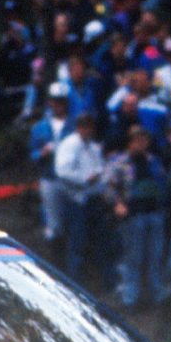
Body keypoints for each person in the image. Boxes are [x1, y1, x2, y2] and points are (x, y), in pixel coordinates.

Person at [106, 125, 171, 310]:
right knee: (132, 258)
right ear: (130, 142)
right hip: (133, 215)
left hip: (155, 213)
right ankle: (130, 299)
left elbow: (164, 184)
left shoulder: (154, 161)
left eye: (144, 140)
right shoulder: (120, 162)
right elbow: (108, 187)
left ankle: (156, 298)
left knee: (155, 256)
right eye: (137, 140)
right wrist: (117, 203)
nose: (141, 143)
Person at [53, 112, 106, 281]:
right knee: (77, 240)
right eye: (85, 127)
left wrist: (98, 176)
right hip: (76, 199)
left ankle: (97, 279)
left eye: (90, 127)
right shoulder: (70, 144)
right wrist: (84, 179)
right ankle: (75, 278)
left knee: (97, 240)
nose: (88, 131)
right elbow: (63, 171)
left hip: (93, 198)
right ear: (79, 128)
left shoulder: (93, 146)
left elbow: (100, 166)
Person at [29, 84, 73, 241]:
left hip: (71, 179)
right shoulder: (39, 127)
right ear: (50, 102)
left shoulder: (74, 125)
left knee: (72, 219)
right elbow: (32, 154)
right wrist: (42, 153)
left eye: (61, 101)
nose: (58, 104)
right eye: (55, 101)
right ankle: (53, 246)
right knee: (52, 222)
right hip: (49, 178)